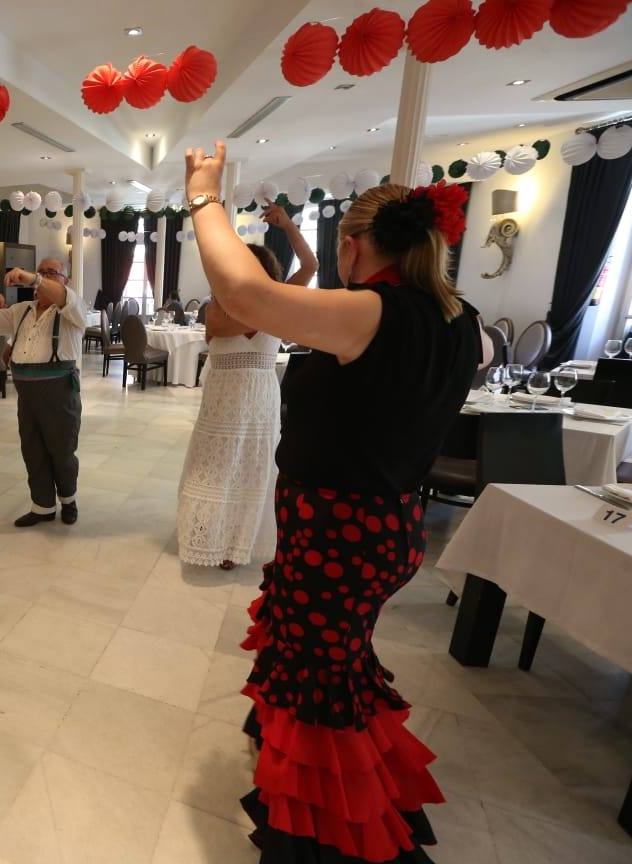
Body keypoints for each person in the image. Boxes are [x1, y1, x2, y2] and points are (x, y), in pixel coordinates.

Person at [186, 141, 487, 863]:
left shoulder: (373, 314)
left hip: (343, 535)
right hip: (384, 526)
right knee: (332, 663)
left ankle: (332, 829)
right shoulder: (460, 321)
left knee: (326, 683)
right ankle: (311, 779)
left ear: (353, 249)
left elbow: (246, 296)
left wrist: (204, 196)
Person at [177, 204, 317, 571]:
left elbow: (311, 266)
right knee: (216, 465)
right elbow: (220, 329)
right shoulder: (217, 309)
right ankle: (209, 534)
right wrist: (269, 304)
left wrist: (288, 226)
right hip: (224, 397)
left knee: (253, 466)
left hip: (260, 397)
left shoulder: (276, 301)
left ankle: (237, 543)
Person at [0, 257, 87, 527]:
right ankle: (42, 506)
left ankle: (68, 500)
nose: (46, 277)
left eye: (53, 273)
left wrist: (31, 277)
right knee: (33, 449)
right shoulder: (22, 310)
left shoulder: (73, 307)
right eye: (42, 273)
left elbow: (60, 296)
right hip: (26, 393)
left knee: (61, 450)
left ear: (66, 280)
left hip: (59, 391)